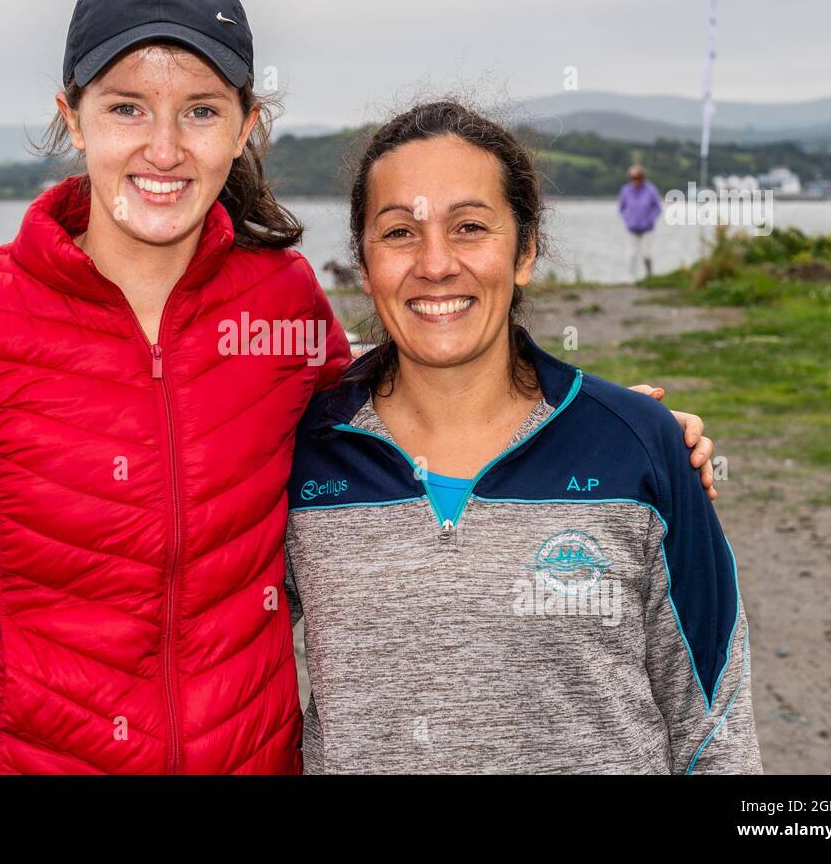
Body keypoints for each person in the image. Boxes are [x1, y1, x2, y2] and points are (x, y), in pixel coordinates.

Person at [0, 0, 717, 775]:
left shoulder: (277, 303)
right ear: (70, 117)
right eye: (125, 109)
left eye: (199, 111)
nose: (162, 148)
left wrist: (593, 422)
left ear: (245, 126)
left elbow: (399, 408)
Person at [282, 101, 759, 773]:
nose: (436, 263)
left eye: (470, 227)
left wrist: (631, 429)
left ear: (526, 251)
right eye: (399, 233)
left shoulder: (640, 447)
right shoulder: (300, 453)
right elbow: (208, 664)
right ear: (363, 264)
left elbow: (714, 728)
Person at [617, 164, 662, 280]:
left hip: (648, 228)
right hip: (632, 228)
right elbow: (621, 209)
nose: (635, 180)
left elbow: (658, 208)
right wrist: (627, 220)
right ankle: (632, 279)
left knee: (647, 255)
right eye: (633, 178)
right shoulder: (626, 190)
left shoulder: (651, 190)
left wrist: (650, 219)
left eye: (638, 177)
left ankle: (650, 276)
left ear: (643, 177)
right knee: (631, 254)